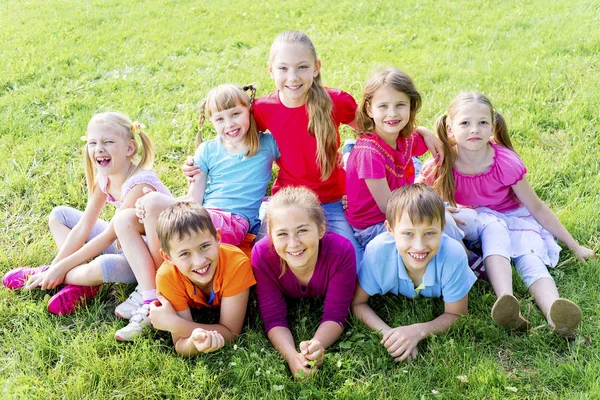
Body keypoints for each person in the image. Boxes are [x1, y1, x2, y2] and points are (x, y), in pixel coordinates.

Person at [184, 31, 443, 265]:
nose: (293, 77)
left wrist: (420, 131)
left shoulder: (336, 101)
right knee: (266, 258)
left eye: (302, 67)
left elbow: (374, 126)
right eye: (283, 68)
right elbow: (237, 139)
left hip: (332, 199)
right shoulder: (263, 109)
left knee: (354, 262)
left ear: (316, 68)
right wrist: (198, 162)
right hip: (288, 198)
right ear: (270, 70)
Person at [421, 92, 595, 336]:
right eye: (465, 123)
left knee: (531, 259)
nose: (474, 129)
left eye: (482, 123)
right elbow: (419, 197)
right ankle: (505, 298)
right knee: (492, 232)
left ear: (493, 127)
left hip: (513, 217)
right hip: (473, 221)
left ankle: (554, 312)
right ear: (450, 129)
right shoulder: (442, 163)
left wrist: (575, 246)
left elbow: (536, 207)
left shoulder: (504, 162)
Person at [122, 84, 278, 340]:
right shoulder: (207, 151)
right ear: (212, 122)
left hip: (235, 222)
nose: (229, 124)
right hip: (204, 214)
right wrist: (158, 203)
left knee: (151, 204)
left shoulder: (266, 144)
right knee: (125, 218)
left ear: (249, 110)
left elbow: (297, 156)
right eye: (220, 118)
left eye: (235, 114)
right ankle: (154, 289)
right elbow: (193, 200)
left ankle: (157, 296)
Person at [2, 112, 171, 318]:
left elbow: (109, 236)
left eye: (108, 142)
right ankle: (63, 275)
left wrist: (62, 267)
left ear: (129, 148)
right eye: (93, 143)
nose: (99, 148)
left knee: (101, 266)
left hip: (144, 261)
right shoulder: (105, 178)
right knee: (59, 215)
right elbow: (84, 226)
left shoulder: (140, 182)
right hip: (122, 244)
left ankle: (67, 277)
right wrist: (58, 264)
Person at [352, 184, 476, 361]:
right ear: (390, 229)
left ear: (442, 227)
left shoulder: (453, 255)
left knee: (473, 227)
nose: (419, 246)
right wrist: (391, 335)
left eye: (429, 233)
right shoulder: (377, 253)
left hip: (456, 245)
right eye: (408, 233)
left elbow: (457, 314)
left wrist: (417, 331)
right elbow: (357, 304)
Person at [251, 186, 356, 379]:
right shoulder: (262, 255)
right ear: (271, 235)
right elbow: (273, 317)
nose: (293, 243)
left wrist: (316, 346)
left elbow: (336, 314)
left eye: (302, 230)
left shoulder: (341, 252)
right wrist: (292, 357)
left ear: (321, 228)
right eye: (282, 234)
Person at [149, 202, 255, 357]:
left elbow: (231, 333)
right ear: (167, 257)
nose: (199, 261)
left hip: (251, 250)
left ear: (218, 238)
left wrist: (173, 323)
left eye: (204, 246)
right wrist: (194, 342)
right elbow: (180, 344)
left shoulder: (236, 264)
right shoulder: (167, 277)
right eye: (185, 254)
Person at [345, 68, 430, 248]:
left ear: (411, 106)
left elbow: (437, 145)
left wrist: (427, 132)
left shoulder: (403, 138)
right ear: (369, 109)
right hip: (375, 226)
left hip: (402, 213)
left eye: (400, 105)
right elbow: (388, 207)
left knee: (444, 224)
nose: (392, 113)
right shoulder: (369, 153)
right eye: (383, 106)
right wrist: (431, 215)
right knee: (433, 231)